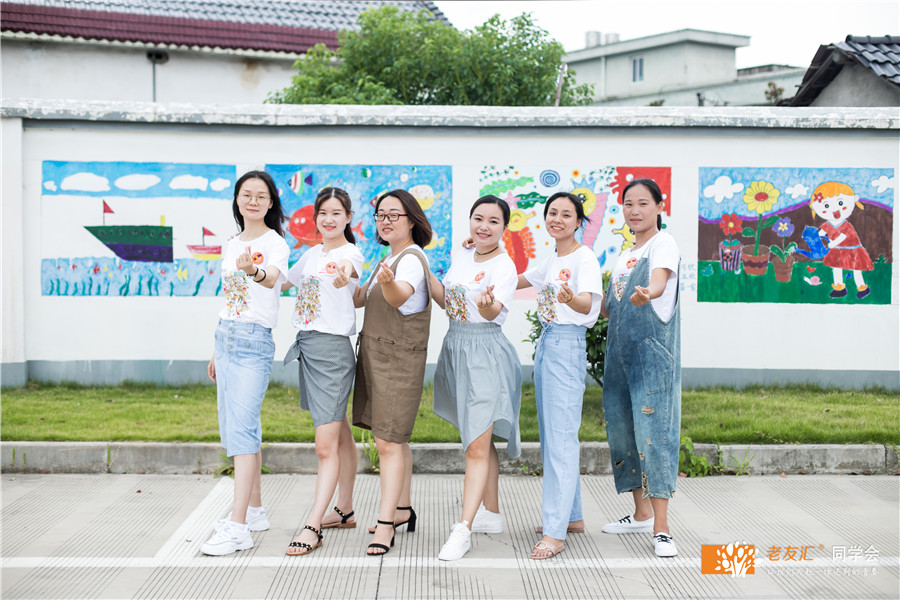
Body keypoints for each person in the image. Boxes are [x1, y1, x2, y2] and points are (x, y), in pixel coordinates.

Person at [430, 195, 522, 561]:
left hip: (485, 353)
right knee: (480, 440)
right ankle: (491, 514)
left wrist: (487, 306)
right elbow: (447, 300)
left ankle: (463, 528)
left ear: (504, 227)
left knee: (476, 446)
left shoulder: (504, 267)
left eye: (493, 221)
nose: (484, 226)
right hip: (456, 347)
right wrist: (420, 264)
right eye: (478, 218)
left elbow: (494, 311)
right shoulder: (463, 254)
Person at [202, 170, 289, 556]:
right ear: (237, 200)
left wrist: (252, 269)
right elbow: (232, 299)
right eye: (246, 194)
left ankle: (237, 528)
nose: (253, 201)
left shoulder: (275, 243)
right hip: (226, 337)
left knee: (242, 433)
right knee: (237, 429)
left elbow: (271, 280)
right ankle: (254, 511)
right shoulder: (231, 243)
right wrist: (215, 350)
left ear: (270, 203)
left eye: (261, 196)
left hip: (253, 342)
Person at [519, 192, 604, 560]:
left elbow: (590, 306)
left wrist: (570, 299)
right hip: (549, 342)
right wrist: (483, 257)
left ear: (578, 221)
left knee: (562, 438)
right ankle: (572, 517)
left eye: (566, 214)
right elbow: (519, 280)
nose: (557, 219)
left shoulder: (584, 258)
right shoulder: (553, 258)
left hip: (567, 344)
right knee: (554, 436)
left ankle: (554, 532)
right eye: (552, 212)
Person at [600, 178, 681, 558]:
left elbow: (659, 283)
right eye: (628, 203)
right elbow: (609, 308)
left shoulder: (663, 244)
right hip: (618, 355)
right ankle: (641, 513)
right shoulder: (625, 254)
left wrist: (649, 291)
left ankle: (662, 529)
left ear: (659, 207)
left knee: (654, 435)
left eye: (643, 203)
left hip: (651, 355)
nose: (634, 210)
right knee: (622, 432)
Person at [281, 187, 363, 556]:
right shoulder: (311, 254)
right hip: (308, 347)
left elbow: (349, 270)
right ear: (315, 217)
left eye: (336, 213)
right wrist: (253, 266)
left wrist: (345, 275)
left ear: (348, 217)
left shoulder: (349, 253)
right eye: (323, 213)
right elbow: (282, 281)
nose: (329, 219)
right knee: (339, 429)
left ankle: (313, 525)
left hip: (332, 353)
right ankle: (344, 510)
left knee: (324, 445)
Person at [352, 189, 433, 556]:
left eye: (393, 215)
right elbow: (360, 298)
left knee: (387, 441)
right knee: (395, 440)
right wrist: (342, 275)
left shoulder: (411, 259)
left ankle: (385, 524)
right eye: (380, 215)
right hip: (380, 355)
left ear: (411, 220)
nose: (385, 221)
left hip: (397, 360)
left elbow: (399, 296)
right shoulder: (389, 257)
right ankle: (401, 509)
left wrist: (386, 281)